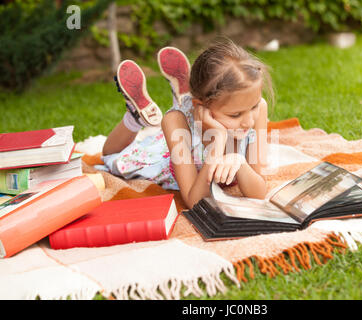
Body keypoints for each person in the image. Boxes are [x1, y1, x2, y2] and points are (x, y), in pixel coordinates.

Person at [100, 38, 273, 209]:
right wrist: (218, 141)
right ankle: (135, 117)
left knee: (184, 124)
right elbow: (194, 201)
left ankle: (182, 99)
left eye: (254, 106)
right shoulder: (174, 122)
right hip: (172, 153)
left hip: (190, 131)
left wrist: (240, 162)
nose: (249, 121)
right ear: (202, 106)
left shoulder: (257, 109)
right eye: (235, 115)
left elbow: (259, 193)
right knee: (111, 156)